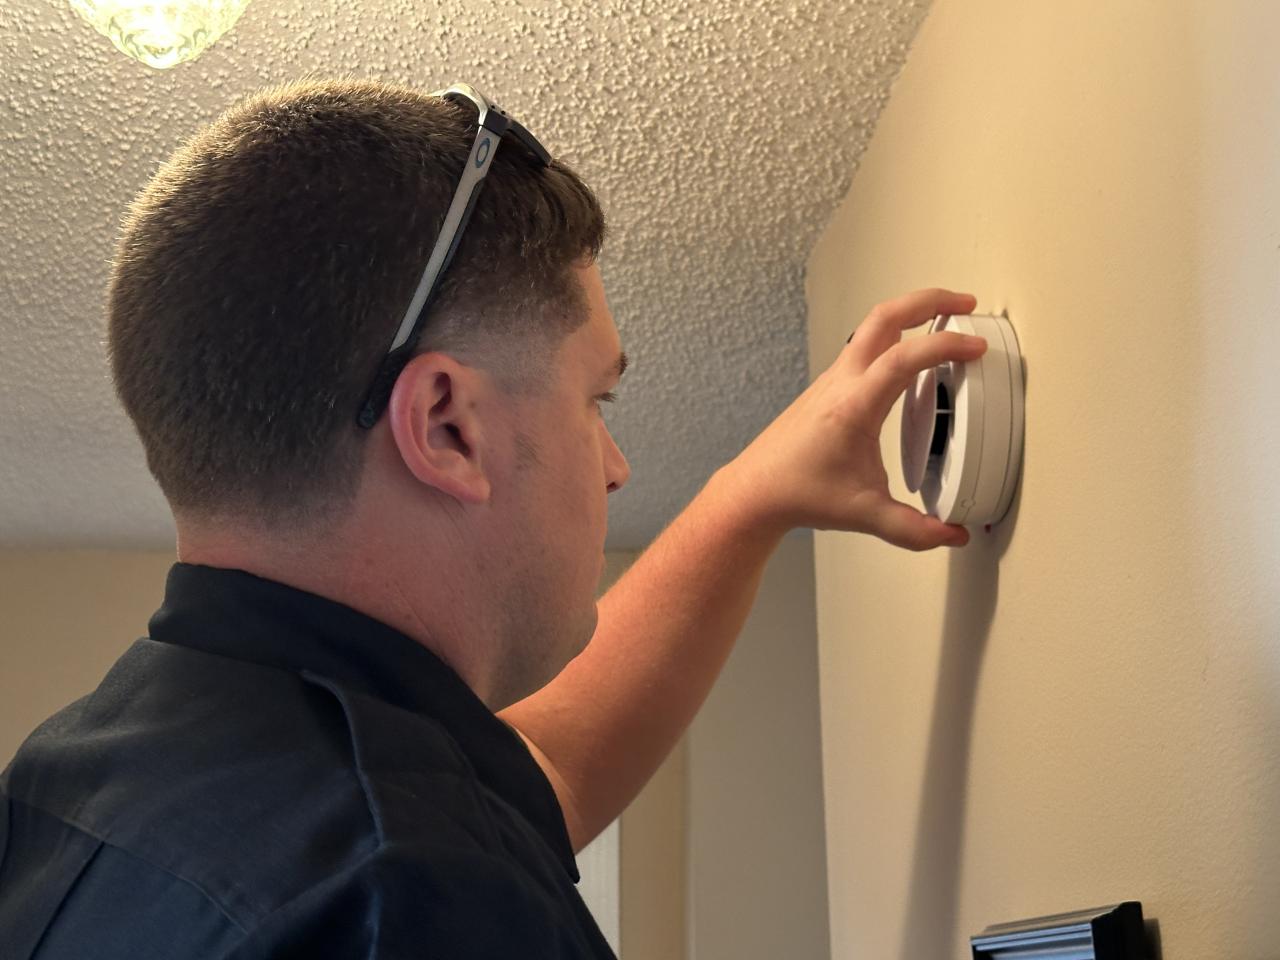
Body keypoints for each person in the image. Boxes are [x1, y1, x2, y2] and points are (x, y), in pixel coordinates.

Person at [0, 76, 987, 958]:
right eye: (594, 402)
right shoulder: (413, 898)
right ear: (446, 428)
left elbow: (531, 776)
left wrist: (747, 497)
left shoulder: (79, 774)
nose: (614, 465)